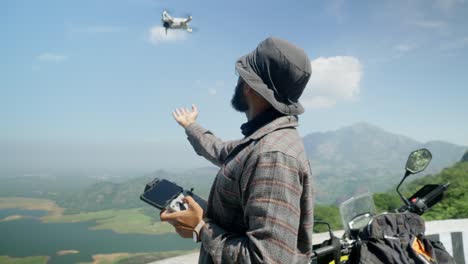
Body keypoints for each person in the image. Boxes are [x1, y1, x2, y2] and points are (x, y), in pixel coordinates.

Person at [160, 36, 314, 263]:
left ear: (251, 86)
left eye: (241, 75)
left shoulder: (272, 156)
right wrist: (191, 126)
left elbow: (267, 259)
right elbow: (222, 151)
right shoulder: (262, 140)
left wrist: (201, 227)